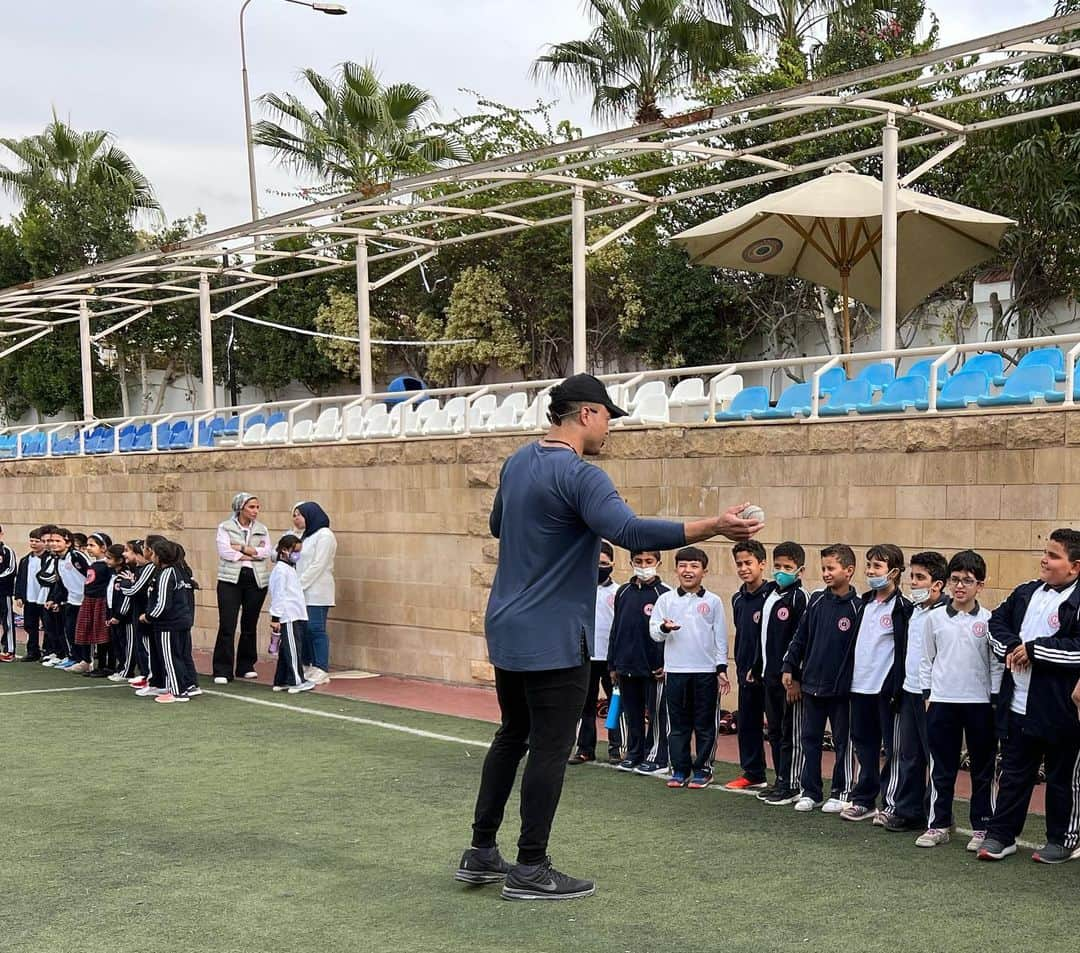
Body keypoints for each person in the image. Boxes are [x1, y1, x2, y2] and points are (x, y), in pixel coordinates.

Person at [453, 373, 762, 901]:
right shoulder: (581, 475)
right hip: (553, 635)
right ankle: (530, 867)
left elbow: (500, 526)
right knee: (551, 748)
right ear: (588, 414)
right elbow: (630, 533)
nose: (609, 431)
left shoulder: (517, 462)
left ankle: (481, 851)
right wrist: (712, 526)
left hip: (506, 624)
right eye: (608, 419)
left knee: (512, 735)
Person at [979, 529, 1080, 864]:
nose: (1044, 560)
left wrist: (1035, 651)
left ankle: (1061, 839)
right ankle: (1001, 835)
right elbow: (996, 624)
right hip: (1017, 704)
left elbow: (1077, 650)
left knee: (1061, 779)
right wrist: (1011, 648)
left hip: (1061, 710)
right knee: (1013, 773)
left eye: (1053, 556)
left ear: (1075, 567)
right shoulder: (1026, 592)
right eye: (1045, 552)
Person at [915, 550, 1000, 851]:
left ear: (980, 585)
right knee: (942, 766)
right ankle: (939, 823)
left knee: (982, 767)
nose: (960, 586)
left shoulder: (990, 620)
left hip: (979, 704)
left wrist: (994, 699)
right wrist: (928, 695)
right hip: (941, 701)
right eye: (955, 580)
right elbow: (926, 659)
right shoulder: (935, 618)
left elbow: (995, 664)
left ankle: (982, 826)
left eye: (968, 580)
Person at [782, 544, 860, 814]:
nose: (826, 573)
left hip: (841, 691)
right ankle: (811, 791)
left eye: (832, 568)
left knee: (843, 742)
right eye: (824, 568)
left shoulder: (857, 608)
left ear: (848, 571)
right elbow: (800, 638)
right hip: (812, 685)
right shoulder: (816, 601)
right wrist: (790, 667)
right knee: (810, 739)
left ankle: (842, 791)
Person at [842, 544, 913, 823]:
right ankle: (863, 800)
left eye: (877, 567)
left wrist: (894, 687)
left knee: (892, 748)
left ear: (893, 572)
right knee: (863, 745)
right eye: (869, 565)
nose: (871, 571)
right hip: (859, 687)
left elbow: (904, 651)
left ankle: (891, 803)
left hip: (884, 691)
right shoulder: (863, 604)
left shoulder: (903, 608)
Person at [650, 546, 730, 789]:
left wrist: (721, 668)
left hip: (705, 672)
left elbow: (720, 637)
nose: (688, 571)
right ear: (676, 569)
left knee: (705, 724)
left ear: (704, 571)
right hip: (675, 672)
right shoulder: (665, 599)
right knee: (677, 724)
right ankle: (680, 769)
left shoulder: (713, 601)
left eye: (694, 566)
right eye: (683, 565)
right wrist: (665, 628)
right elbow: (654, 632)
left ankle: (703, 769)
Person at [882, 551, 948, 833]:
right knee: (910, 755)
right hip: (910, 691)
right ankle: (909, 811)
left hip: (932, 696)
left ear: (938, 585)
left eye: (921, 578)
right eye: (913, 577)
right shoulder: (914, 611)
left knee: (934, 757)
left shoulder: (945, 614)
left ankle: (937, 816)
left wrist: (934, 692)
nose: (914, 584)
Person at [607, 549, 670, 776]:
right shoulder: (623, 592)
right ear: (631, 562)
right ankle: (634, 753)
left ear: (658, 562)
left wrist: (664, 663)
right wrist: (612, 664)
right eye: (639, 561)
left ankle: (657, 755)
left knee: (655, 714)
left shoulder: (664, 594)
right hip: (625, 666)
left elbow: (668, 634)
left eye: (649, 561)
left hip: (653, 669)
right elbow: (616, 629)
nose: (644, 565)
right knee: (632, 714)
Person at [756, 542, 809, 806]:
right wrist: (758, 667)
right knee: (775, 731)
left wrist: (795, 676)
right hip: (770, 677)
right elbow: (764, 637)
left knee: (791, 733)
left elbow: (801, 641)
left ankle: (793, 783)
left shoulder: (800, 598)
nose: (781, 572)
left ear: (799, 570)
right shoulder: (770, 595)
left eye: (787, 568)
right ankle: (780, 779)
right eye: (777, 566)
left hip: (789, 680)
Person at [568, 541, 622, 765]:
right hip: (585, 657)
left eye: (603, 563)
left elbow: (621, 627)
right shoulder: (577, 590)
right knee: (585, 706)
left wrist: (617, 661)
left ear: (611, 564)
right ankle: (585, 748)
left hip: (610, 660)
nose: (598, 567)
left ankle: (616, 749)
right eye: (594, 562)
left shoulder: (619, 592)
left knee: (615, 704)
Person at [726, 540, 771, 793]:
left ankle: (787, 778)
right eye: (739, 563)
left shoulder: (773, 597)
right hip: (745, 675)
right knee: (747, 724)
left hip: (769, 675)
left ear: (762, 564)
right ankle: (753, 773)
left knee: (777, 729)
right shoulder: (737, 599)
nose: (744, 568)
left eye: (748, 563)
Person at [213, 493, 271, 684]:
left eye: (257, 507)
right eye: (251, 507)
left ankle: (246, 665)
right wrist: (250, 555)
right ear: (240, 508)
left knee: (249, 624)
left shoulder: (262, 529)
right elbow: (225, 552)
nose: (255, 511)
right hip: (230, 580)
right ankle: (222, 668)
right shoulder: (225, 527)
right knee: (227, 624)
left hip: (255, 579)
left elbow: (266, 552)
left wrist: (242, 549)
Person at [144, 538, 199, 705]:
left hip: (169, 624)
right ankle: (187, 685)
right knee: (179, 655)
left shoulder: (166, 574)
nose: (151, 556)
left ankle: (177, 691)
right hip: (181, 620)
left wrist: (148, 616)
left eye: (153, 553)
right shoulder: (178, 571)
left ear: (160, 556)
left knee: (170, 657)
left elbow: (163, 603)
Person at [292, 501, 337, 686]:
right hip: (300, 590)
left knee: (315, 628)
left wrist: (299, 585)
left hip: (317, 591)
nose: (296, 519)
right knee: (303, 629)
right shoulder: (301, 536)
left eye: (299, 515)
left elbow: (318, 564)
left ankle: (321, 667)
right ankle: (308, 663)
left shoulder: (324, 535)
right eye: (294, 515)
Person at [268, 533, 316, 694]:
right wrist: (276, 617)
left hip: (295, 614)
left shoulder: (289, 569)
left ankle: (282, 680)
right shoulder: (281, 571)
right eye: (294, 551)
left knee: (287, 649)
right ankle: (296, 680)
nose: (297, 555)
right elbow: (278, 594)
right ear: (284, 551)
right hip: (288, 615)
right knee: (293, 648)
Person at [76, 532, 114, 678]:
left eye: (92, 545)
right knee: (92, 632)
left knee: (102, 634)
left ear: (103, 547)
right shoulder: (93, 564)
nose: (88, 548)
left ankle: (107, 666)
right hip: (90, 600)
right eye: (87, 545)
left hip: (100, 601)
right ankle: (97, 664)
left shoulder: (106, 566)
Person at [14, 528, 46, 662]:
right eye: (31, 541)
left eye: (36, 541)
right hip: (30, 597)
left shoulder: (49, 559)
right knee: (29, 625)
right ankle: (33, 650)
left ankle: (49, 650)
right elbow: (20, 578)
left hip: (43, 598)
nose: (33, 543)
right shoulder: (26, 560)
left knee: (48, 626)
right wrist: (19, 596)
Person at [0, 526, 16, 662]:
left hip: (3, 593)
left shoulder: (7, 551)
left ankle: (9, 650)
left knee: (7, 622)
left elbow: (11, 570)